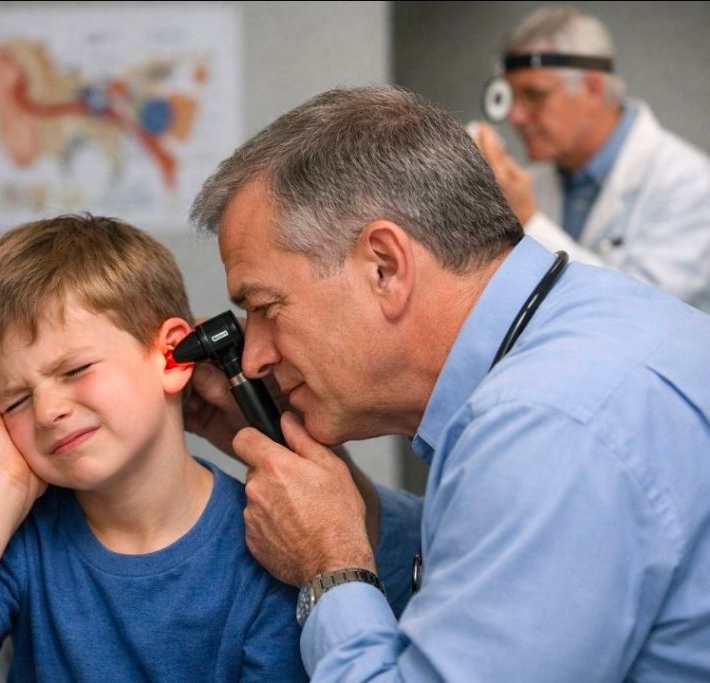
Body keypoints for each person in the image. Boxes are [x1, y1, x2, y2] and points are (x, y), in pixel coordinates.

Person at [185, 85, 710, 680]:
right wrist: (342, 508)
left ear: (385, 265)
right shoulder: (591, 322)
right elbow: (481, 565)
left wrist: (330, 567)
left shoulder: (545, 429)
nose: (252, 359)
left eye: (266, 306)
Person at [0, 215, 307, 682]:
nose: (47, 412)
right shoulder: (17, 528)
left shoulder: (269, 536)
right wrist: (6, 483)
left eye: (75, 370)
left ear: (172, 355)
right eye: (14, 401)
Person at [471, 5, 710, 313]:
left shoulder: (691, 186)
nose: (516, 116)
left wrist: (529, 219)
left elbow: (639, 313)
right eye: (511, 98)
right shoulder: (537, 182)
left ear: (594, 88)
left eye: (535, 95)